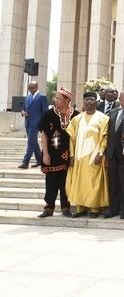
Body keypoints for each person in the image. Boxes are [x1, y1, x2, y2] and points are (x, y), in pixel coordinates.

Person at [66, 92, 110, 218]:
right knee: (80, 181)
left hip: (94, 156)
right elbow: (72, 139)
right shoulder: (76, 119)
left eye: (92, 99)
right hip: (79, 157)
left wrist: (100, 153)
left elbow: (104, 137)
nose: (89, 102)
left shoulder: (103, 118)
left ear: (96, 101)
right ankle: (81, 208)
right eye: (87, 100)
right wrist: (72, 155)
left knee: (93, 181)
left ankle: (94, 208)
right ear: (83, 102)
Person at [37, 87, 79, 217]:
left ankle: (65, 207)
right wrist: (45, 153)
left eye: (59, 98)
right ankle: (49, 207)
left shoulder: (76, 115)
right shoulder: (49, 114)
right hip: (52, 153)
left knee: (66, 182)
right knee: (51, 181)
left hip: (69, 154)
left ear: (67, 100)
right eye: (56, 98)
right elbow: (44, 134)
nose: (56, 100)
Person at [104, 89, 124, 219]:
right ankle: (113, 209)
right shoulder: (112, 112)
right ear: (120, 99)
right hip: (112, 153)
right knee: (114, 182)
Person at [20, 81, 49, 169]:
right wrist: (22, 112)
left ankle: (25, 162)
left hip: (36, 123)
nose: (30, 90)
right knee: (33, 142)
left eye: (32, 88)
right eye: (29, 88)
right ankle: (39, 159)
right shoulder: (28, 97)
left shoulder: (42, 97)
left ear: (36, 87)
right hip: (28, 122)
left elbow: (45, 112)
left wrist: (44, 124)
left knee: (31, 143)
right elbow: (23, 108)